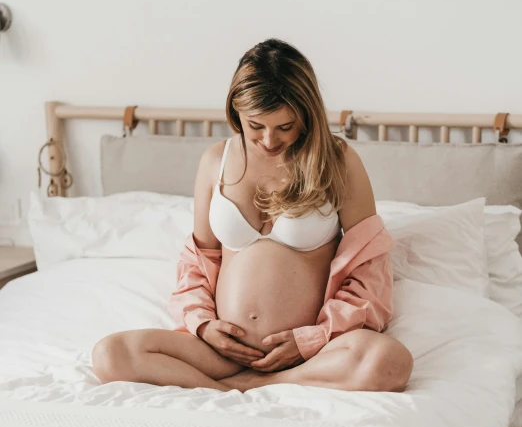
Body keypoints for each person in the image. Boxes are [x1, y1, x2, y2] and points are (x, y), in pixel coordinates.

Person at [93, 39, 413, 394]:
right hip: (221, 352)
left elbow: (369, 268)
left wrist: (312, 338)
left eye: (285, 126)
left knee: (390, 362)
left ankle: (263, 384)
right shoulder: (215, 160)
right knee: (111, 354)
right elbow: (198, 262)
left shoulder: (336, 161)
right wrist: (203, 325)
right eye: (256, 125)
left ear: (307, 113)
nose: (269, 140)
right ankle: (233, 384)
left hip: (308, 353)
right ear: (236, 111)